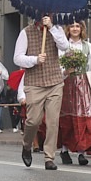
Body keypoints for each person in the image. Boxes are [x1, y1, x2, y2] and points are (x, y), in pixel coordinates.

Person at [13, 15, 69, 170]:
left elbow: (65, 46)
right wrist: (35, 60)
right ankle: (26, 145)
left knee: (52, 121)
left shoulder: (56, 29)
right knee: (33, 121)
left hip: (55, 81)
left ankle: (49, 157)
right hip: (34, 83)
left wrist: (51, 28)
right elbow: (17, 58)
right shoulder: (26, 32)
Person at [58, 20, 91, 166]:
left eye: (78, 26)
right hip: (67, 84)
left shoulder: (88, 46)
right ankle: (64, 150)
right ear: (68, 29)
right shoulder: (63, 46)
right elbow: (57, 65)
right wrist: (65, 72)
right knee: (67, 118)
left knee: (83, 117)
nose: (75, 29)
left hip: (83, 84)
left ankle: (81, 152)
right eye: (72, 26)